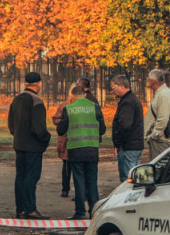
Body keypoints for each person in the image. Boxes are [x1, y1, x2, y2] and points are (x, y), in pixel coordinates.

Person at [57, 85, 106, 220]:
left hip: (75, 149)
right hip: (91, 148)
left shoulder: (69, 108)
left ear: (72, 96)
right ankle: (94, 211)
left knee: (78, 181)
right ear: (84, 94)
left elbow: (60, 130)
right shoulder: (95, 107)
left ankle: (80, 211)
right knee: (92, 181)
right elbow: (102, 129)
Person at [7, 71, 51, 219]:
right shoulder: (36, 101)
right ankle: (30, 208)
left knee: (20, 177)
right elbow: (39, 128)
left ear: (26, 83)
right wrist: (46, 138)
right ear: (39, 84)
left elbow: (11, 124)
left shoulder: (17, 100)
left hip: (19, 144)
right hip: (33, 146)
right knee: (32, 177)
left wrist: (18, 135)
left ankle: (20, 209)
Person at [110, 75, 145, 182]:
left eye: (113, 88)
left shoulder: (127, 102)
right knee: (134, 176)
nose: (112, 91)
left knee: (128, 179)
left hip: (128, 146)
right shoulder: (131, 99)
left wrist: (118, 143)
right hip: (133, 145)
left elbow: (124, 125)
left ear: (121, 85)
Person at [144, 69, 170, 161]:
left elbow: (163, 118)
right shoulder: (162, 93)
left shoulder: (163, 94)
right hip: (158, 140)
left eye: (149, 80)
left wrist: (154, 135)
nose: (148, 83)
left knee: (158, 169)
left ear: (153, 81)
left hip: (159, 141)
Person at [52, 86, 76, 198]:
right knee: (66, 166)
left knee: (76, 166)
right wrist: (64, 122)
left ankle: (77, 189)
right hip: (66, 139)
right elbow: (56, 118)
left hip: (75, 139)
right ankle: (65, 188)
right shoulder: (64, 105)